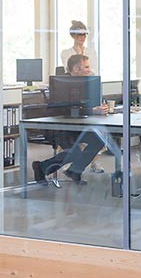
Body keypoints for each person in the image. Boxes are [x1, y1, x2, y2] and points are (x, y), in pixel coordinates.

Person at [32, 54, 108, 185]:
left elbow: (83, 105)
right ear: (76, 69)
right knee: (75, 152)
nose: (89, 70)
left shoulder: (85, 83)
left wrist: (100, 107)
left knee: (98, 140)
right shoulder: (62, 84)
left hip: (75, 125)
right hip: (58, 127)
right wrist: (91, 110)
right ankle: (41, 167)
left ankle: (74, 170)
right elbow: (66, 109)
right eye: (86, 67)